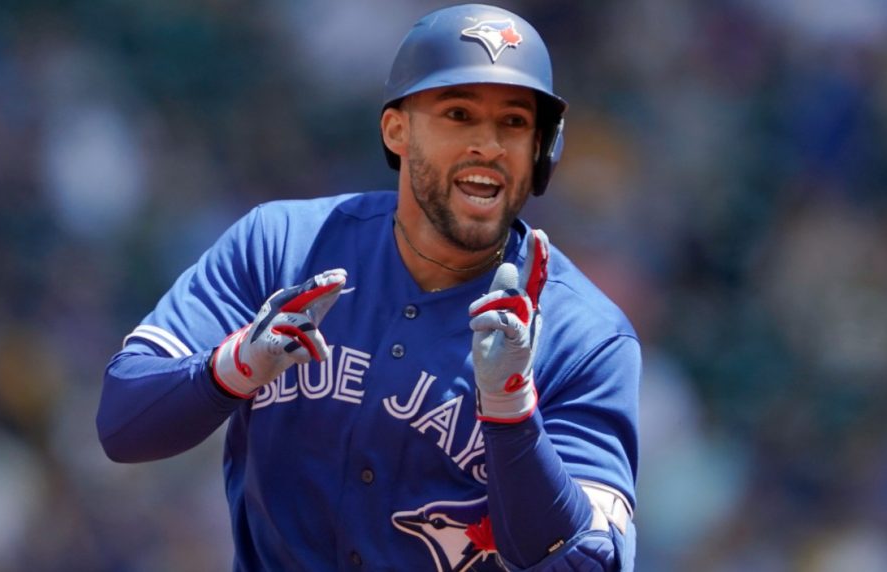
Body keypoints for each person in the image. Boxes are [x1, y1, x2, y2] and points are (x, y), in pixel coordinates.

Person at [97, 4, 640, 570]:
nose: (490, 146)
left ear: (541, 149)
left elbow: (591, 562)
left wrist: (510, 410)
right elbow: (122, 423)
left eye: (514, 122)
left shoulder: (586, 336)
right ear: (396, 129)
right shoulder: (284, 248)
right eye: (458, 114)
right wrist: (233, 368)